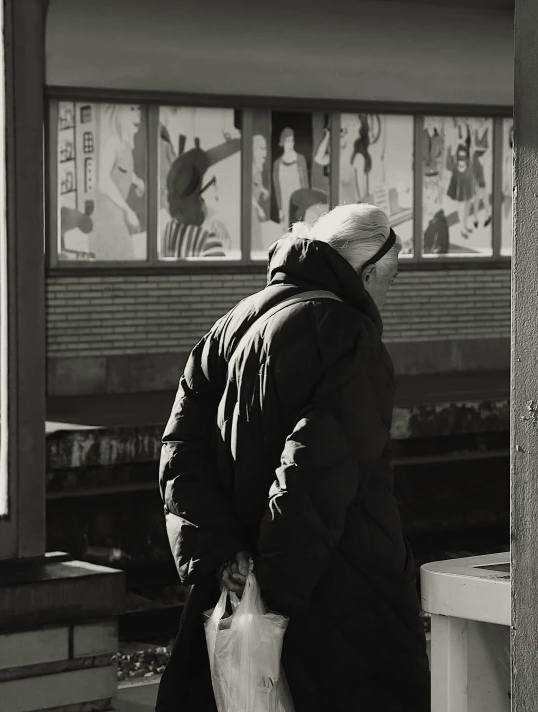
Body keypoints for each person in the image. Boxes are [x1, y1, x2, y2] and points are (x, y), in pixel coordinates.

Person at [156, 203, 430, 712]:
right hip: (340, 602)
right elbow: (313, 478)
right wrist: (273, 595)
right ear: (368, 273)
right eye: (389, 281)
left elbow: (180, 452)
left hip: (239, 587)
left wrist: (222, 556)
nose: (387, 296)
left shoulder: (231, 325)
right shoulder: (350, 338)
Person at [88, 104, 145, 261]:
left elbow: (120, 170)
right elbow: (103, 181)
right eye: (131, 109)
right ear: (120, 114)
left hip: (116, 218)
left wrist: (136, 180)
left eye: (139, 109)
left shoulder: (124, 146)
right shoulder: (112, 143)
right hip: (106, 221)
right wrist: (129, 211)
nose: (138, 114)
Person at [273, 127, 309, 228]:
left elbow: (305, 184)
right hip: (285, 203)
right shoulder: (277, 164)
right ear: (282, 142)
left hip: (298, 203)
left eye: (292, 140)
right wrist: (280, 209)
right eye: (287, 141)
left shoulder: (300, 159)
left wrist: (305, 206)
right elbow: (277, 189)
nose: (290, 143)